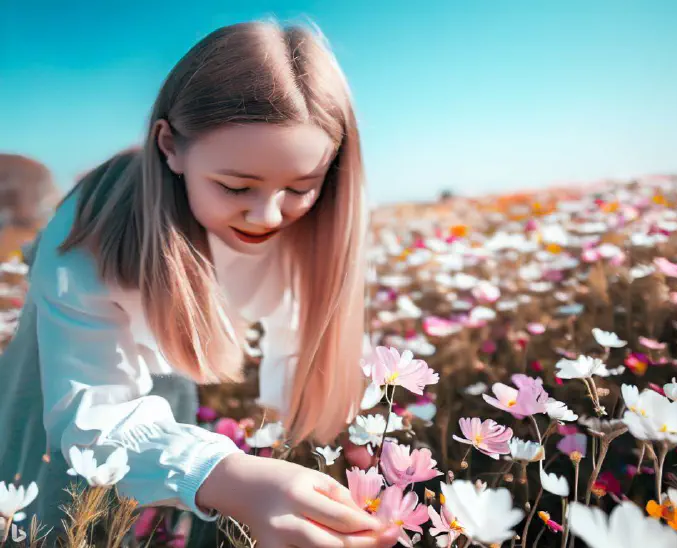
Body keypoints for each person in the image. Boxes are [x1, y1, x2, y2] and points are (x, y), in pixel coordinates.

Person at [0, 20, 400, 548]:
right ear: (170, 146)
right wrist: (237, 481)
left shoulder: (316, 224)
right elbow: (90, 418)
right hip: (63, 384)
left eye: (302, 187)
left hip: (176, 367)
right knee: (54, 504)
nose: (268, 215)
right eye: (236, 186)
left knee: (173, 473)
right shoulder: (88, 237)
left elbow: (300, 340)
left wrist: (324, 443)